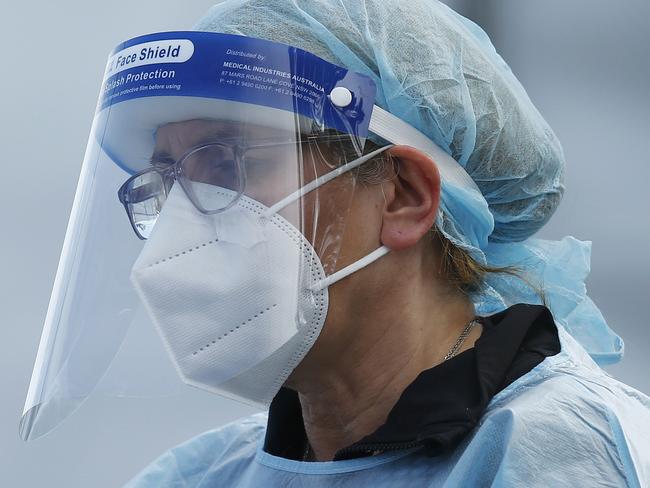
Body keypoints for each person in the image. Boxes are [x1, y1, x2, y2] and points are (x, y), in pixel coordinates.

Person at [21, 0, 649, 486]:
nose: (182, 223)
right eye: (165, 181)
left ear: (403, 195)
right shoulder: (207, 474)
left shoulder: (563, 453)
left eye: (227, 164)